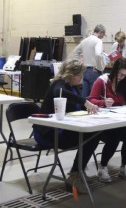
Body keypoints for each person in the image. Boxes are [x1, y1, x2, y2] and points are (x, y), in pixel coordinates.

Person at [32, 59, 101, 194]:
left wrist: (95, 106)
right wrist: (85, 102)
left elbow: (77, 106)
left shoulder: (74, 87)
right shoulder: (58, 85)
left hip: (64, 129)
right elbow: (61, 93)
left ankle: (77, 172)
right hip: (47, 132)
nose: (82, 78)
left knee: (94, 133)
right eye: (79, 75)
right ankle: (75, 175)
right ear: (70, 75)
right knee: (89, 136)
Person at [88, 58, 126, 182]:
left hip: (117, 120)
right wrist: (103, 102)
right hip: (102, 122)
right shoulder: (101, 81)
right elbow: (91, 100)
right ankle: (103, 167)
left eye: (124, 75)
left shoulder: (124, 83)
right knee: (113, 138)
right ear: (114, 71)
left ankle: (124, 166)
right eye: (119, 74)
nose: (121, 77)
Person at [72, 24, 106, 97]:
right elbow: (98, 54)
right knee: (95, 96)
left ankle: (82, 108)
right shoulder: (98, 41)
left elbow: (75, 52)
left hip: (85, 70)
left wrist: (79, 64)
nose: (103, 37)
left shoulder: (84, 41)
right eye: (103, 34)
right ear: (101, 32)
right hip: (94, 71)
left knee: (85, 95)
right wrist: (100, 68)